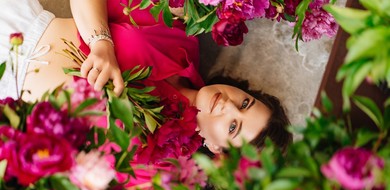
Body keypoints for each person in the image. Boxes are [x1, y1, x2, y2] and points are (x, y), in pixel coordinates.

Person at [0, 0, 292, 154]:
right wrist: (101, 42)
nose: (228, 106)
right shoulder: (182, 42)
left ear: (216, 148)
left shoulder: (156, 157)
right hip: (15, 25)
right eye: (245, 104)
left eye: (232, 127)